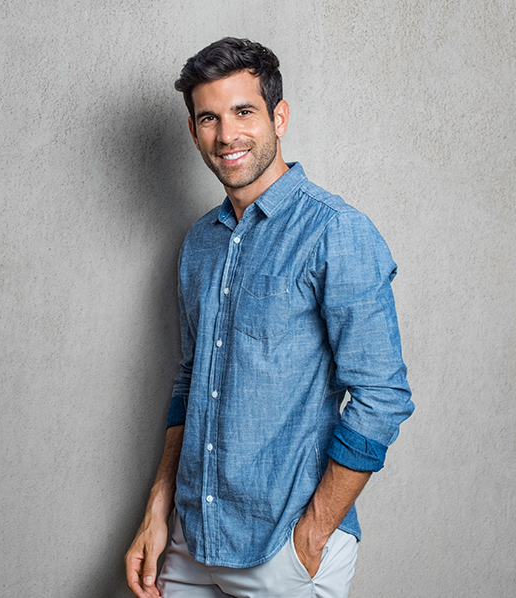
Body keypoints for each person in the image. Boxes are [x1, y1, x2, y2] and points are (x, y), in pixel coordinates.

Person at [124, 37, 414, 598]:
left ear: (278, 117)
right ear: (193, 132)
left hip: (283, 548)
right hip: (190, 541)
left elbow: (382, 396)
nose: (226, 135)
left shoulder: (336, 231)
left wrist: (312, 535)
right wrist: (157, 514)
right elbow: (190, 382)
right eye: (208, 118)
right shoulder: (199, 244)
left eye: (243, 111)